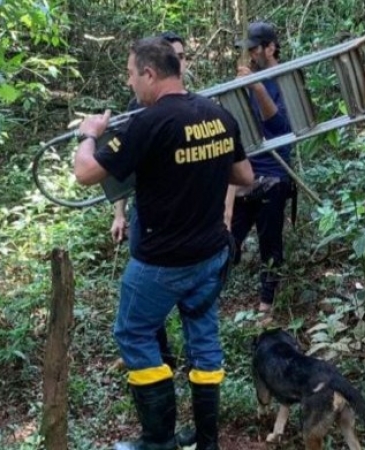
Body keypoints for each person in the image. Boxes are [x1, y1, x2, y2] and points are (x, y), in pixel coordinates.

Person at [74, 36, 253, 450]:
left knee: (134, 333)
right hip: (210, 256)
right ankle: (207, 442)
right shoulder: (217, 113)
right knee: (204, 342)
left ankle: (159, 440)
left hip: (160, 263)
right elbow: (244, 177)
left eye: (133, 75)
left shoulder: (148, 122)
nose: (131, 84)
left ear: (150, 73)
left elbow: (85, 173)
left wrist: (89, 133)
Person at [111, 31, 188, 371]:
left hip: (190, 217)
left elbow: (228, 164)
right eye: (174, 56)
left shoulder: (197, 105)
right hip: (149, 216)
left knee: (192, 299)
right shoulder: (136, 111)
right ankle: (160, 357)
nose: (180, 63)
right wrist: (119, 213)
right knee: (146, 301)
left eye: (183, 57)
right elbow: (121, 173)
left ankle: (193, 361)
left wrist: (225, 210)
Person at [231, 22, 294, 315]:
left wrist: (257, 87)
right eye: (249, 50)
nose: (251, 54)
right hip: (246, 173)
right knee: (228, 240)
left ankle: (265, 309)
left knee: (271, 245)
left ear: (271, 47)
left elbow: (280, 127)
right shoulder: (251, 80)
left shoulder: (286, 79)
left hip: (275, 173)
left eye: (255, 48)